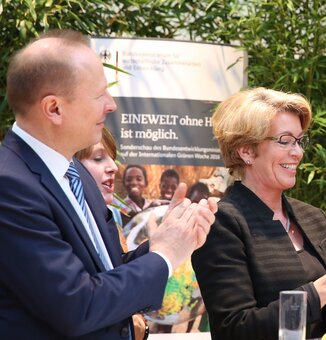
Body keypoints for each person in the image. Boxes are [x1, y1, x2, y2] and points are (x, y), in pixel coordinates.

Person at [0, 29, 218, 339]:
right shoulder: (10, 186)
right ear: (54, 108)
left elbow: (107, 273)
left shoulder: (74, 172)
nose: (111, 104)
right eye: (99, 94)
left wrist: (166, 238)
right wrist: (165, 255)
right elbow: (78, 305)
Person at [191, 87, 326, 339]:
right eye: (284, 140)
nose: (298, 152)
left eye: (299, 140)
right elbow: (236, 329)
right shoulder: (221, 223)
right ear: (246, 150)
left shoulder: (313, 219)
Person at [74, 128, 149, 340]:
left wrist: (163, 245)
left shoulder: (108, 218)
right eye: (98, 158)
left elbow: (118, 269)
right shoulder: (52, 221)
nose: (113, 168)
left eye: (112, 158)